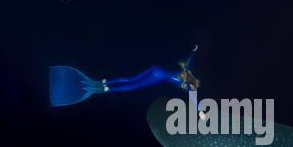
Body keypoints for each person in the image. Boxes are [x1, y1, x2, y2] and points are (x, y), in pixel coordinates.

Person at [49, 45, 201, 106]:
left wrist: (194, 50)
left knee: (131, 79)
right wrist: (200, 111)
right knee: (131, 87)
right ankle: (107, 89)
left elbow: (189, 60)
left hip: (156, 69)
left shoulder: (187, 72)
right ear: (193, 83)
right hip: (157, 77)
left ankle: (104, 81)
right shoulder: (187, 85)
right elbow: (193, 97)